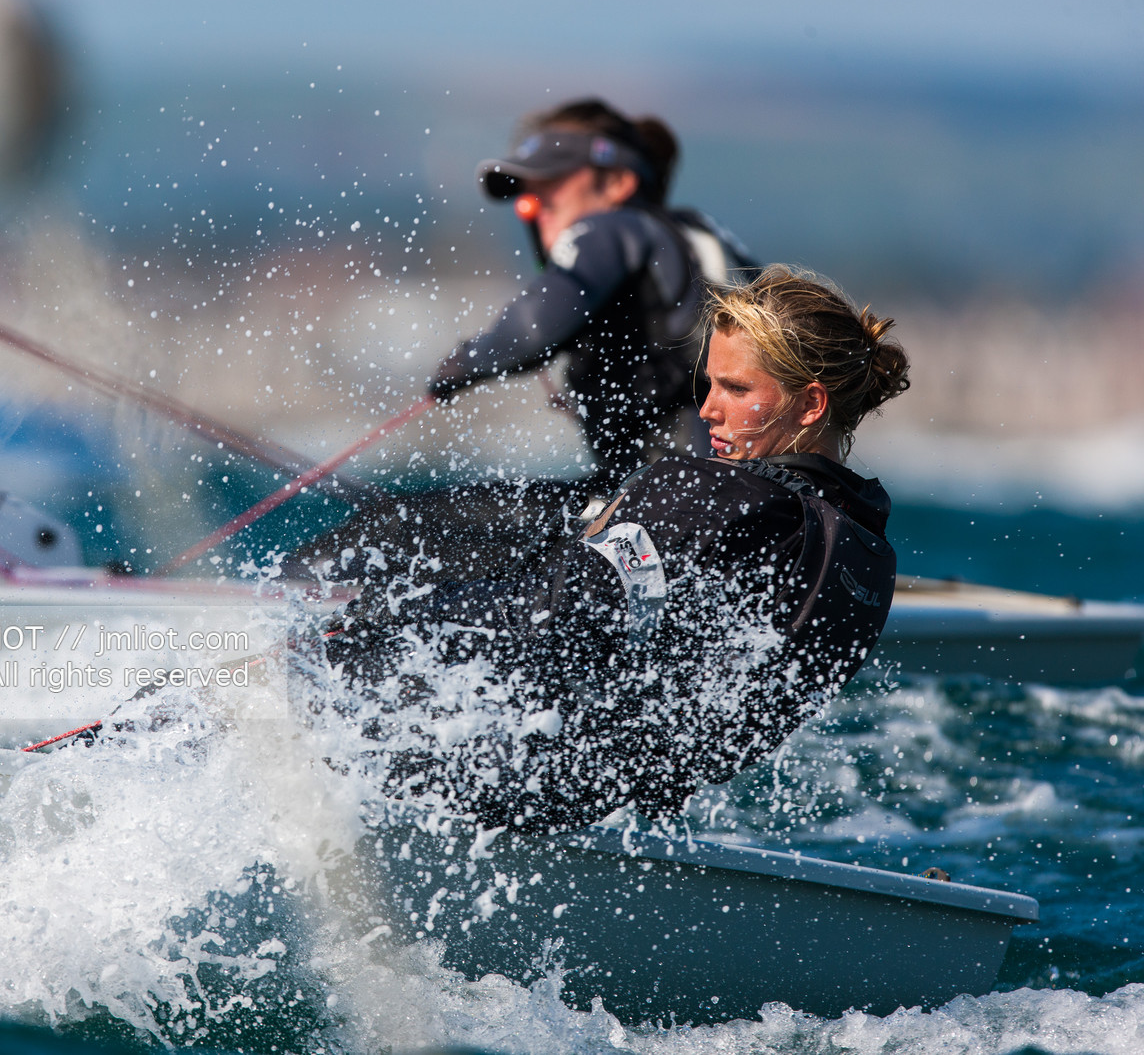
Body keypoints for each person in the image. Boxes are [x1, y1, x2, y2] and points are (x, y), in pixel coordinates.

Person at [324, 266, 911, 833]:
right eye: (708, 384)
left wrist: (365, 620)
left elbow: (546, 616)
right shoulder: (866, 553)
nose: (707, 409)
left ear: (811, 405)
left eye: (735, 388)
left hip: (490, 770)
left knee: (378, 558)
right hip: (602, 797)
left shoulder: (709, 490)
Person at [285, 98, 749, 583]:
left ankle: (281, 619)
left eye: (552, 186)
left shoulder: (612, 227)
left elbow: (528, 333)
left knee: (393, 530)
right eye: (526, 192)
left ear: (617, 183)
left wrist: (464, 362)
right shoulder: (701, 244)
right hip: (719, 514)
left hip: (662, 511)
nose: (532, 207)